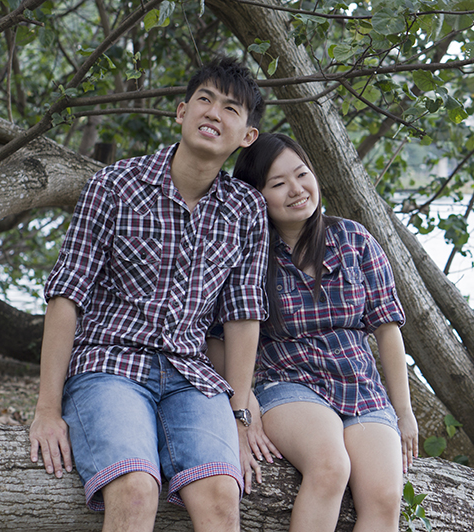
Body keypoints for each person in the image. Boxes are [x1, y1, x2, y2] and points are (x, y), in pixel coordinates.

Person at [28, 56, 268, 532]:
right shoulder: (115, 185)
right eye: (205, 99)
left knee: (222, 498)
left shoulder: (247, 209)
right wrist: (47, 410)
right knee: (137, 490)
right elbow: (66, 296)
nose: (214, 114)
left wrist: (240, 417)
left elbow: (242, 315)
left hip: (191, 376)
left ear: (247, 136)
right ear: (181, 112)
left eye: (231, 108)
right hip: (109, 367)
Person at [224, 132, 419, 532]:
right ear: (255, 195)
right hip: (288, 384)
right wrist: (245, 406)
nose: (296, 190)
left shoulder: (354, 239)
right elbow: (217, 336)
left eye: (301, 174)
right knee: (331, 467)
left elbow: (387, 329)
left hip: (362, 390)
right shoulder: (248, 254)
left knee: (385, 496)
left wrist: (405, 412)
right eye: (278, 184)